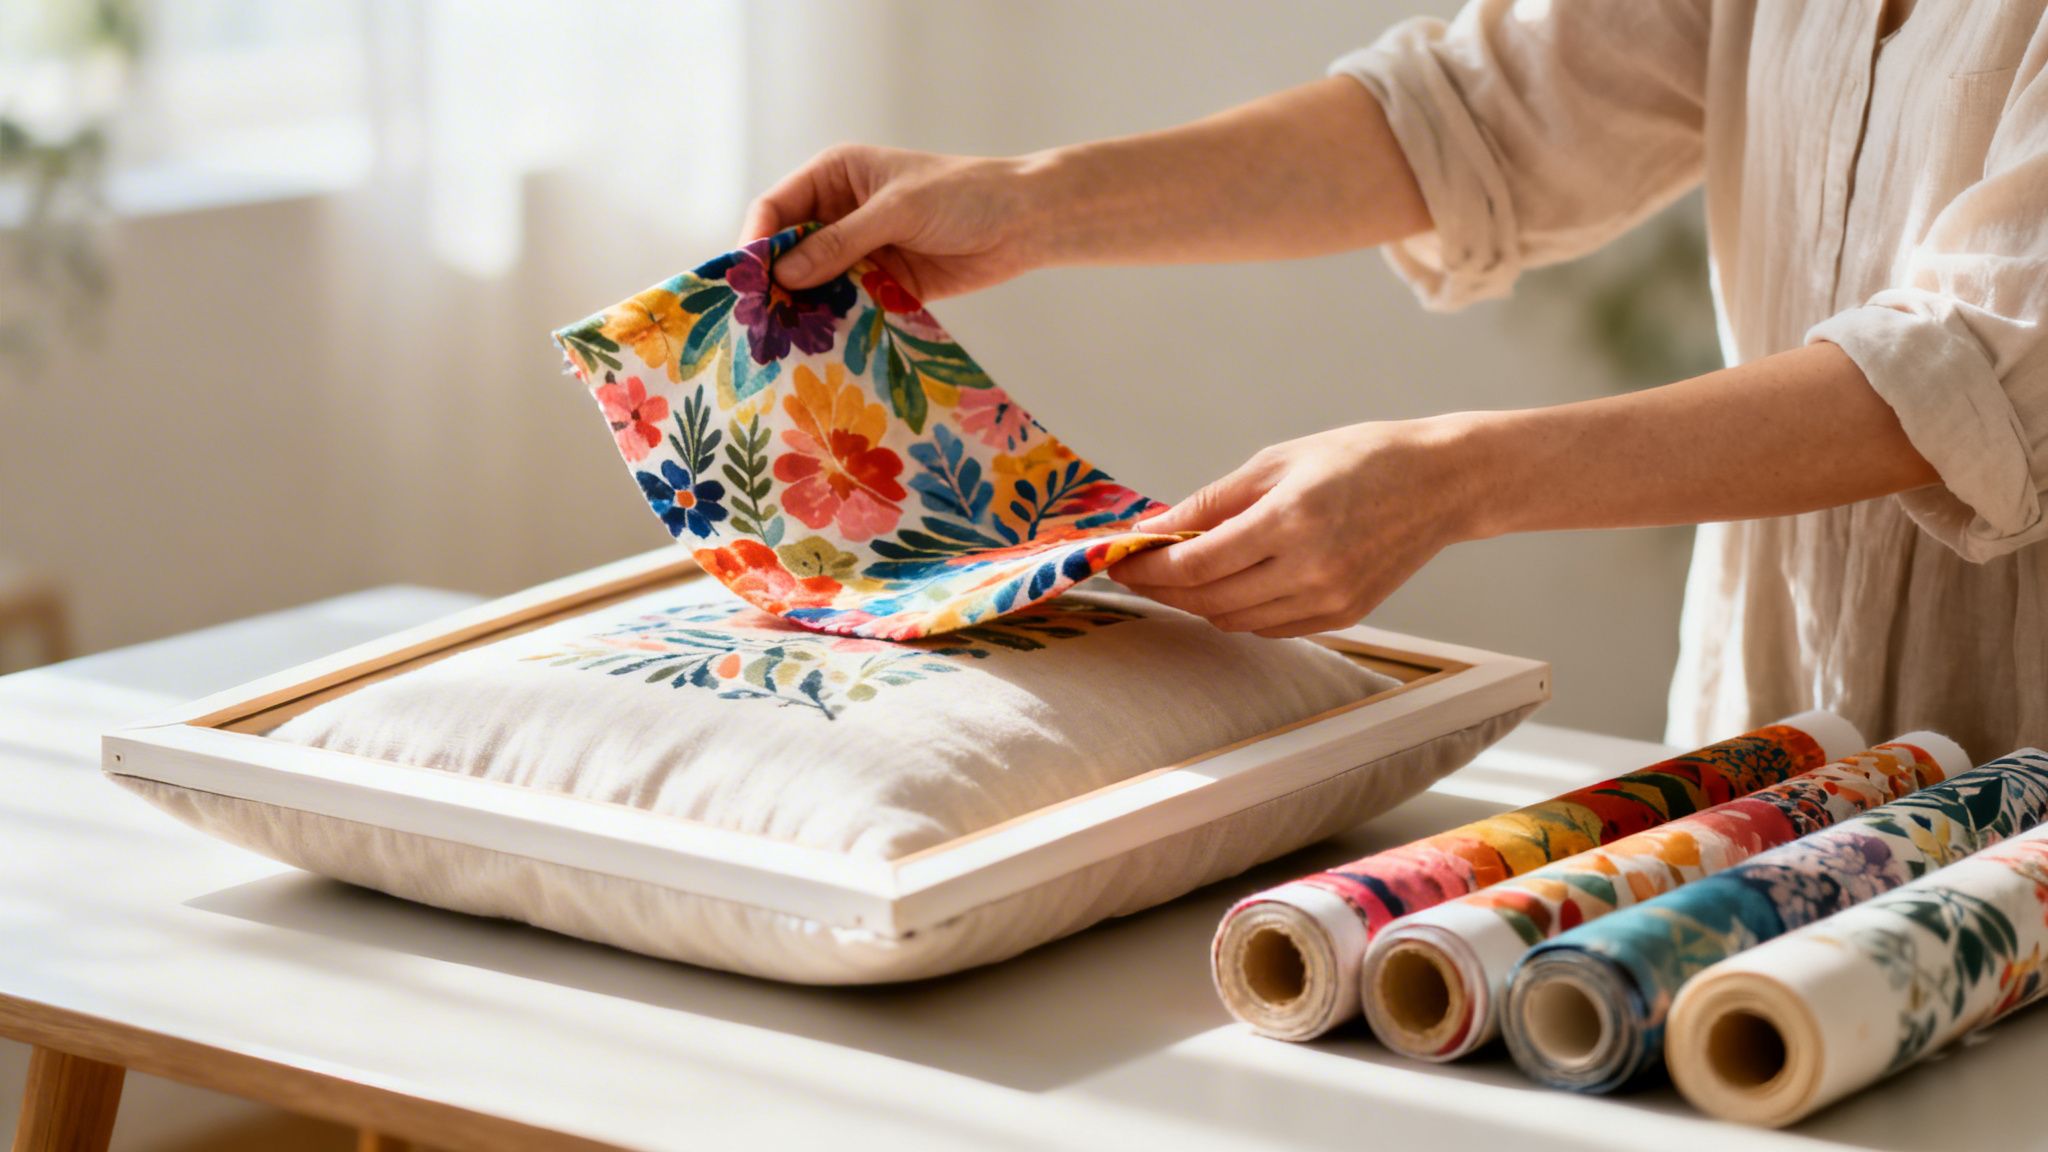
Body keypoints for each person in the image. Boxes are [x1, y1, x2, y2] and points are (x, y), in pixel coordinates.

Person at [739, 0, 2048, 760]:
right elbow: (1479, 113)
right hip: (1778, 732)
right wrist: (1025, 203)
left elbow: (1975, 367)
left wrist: (1453, 480)